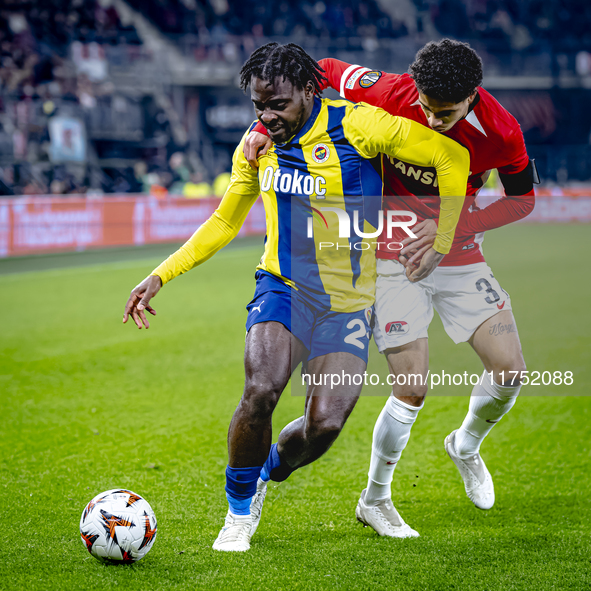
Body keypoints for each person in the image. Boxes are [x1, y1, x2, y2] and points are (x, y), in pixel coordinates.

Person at [123, 42, 469, 552]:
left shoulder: (359, 126)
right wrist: (161, 274)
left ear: (310, 90)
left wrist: (441, 241)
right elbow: (224, 220)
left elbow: (451, 155)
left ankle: (264, 472)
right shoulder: (257, 144)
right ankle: (238, 512)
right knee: (261, 388)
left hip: (348, 302)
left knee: (324, 424)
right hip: (281, 287)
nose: (266, 116)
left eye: (277, 104)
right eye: (258, 106)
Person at [245, 38, 538, 537]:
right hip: (388, 254)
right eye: (424, 105)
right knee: (412, 385)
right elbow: (321, 71)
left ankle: (465, 445)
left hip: (458, 253)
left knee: (511, 371)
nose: (431, 117)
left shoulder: (503, 132)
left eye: (444, 112)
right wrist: (259, 127)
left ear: (473, 96)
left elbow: (523, 201)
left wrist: (456, 229)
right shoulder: (392, 92)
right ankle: (375, 499)